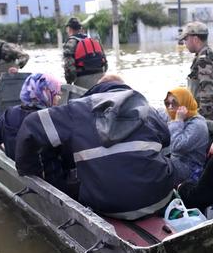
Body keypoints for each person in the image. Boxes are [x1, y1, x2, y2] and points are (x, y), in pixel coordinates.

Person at [14, 75, 175, 220]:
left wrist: (29, 170)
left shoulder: (76, 110)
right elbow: (167, 147)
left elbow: (30, 126)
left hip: (107, 206)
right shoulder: (149, 110)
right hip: (158, 200)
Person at [0, 73, 70, 189]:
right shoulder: (51, 119)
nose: (59, 96)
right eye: (56, 93)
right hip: (53, 182)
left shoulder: (9, 115)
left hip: (21, 174)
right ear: (45, 93)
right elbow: (68, 156)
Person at [178, 21, 213, 120]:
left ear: (195, 39)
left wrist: (195, 118)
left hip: (209, 118)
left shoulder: (204, 60)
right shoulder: (206, 55)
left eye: (186, 39)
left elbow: (207, 94)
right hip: (211, 114)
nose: (184, 43)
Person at [163, 87, 209, 184]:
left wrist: (178, 121)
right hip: (175, 161)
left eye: (174, 103)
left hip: (190, 168)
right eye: (167, 103)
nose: (170, 107)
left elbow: (176, 147)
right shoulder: (172, 116)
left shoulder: (197, 125)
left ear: (184, 103)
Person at [62, 17, 108, 89]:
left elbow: (69, 67)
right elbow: (105, 64)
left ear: (69, 29)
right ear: (80, 28)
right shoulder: (94, 40)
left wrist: (69, 83)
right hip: (101, 79)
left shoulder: (71, 42)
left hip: (83, 80)